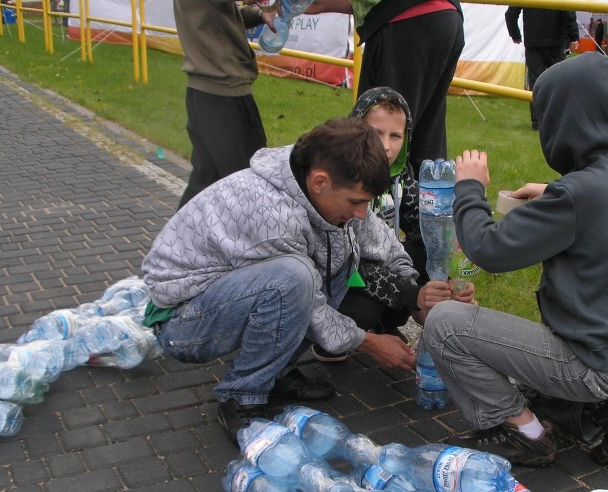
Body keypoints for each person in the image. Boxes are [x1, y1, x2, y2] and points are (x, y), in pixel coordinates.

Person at [421, 53, 608, 468]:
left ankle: (524, 433)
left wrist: (469, 190)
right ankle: (600, 410)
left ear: (561, 123)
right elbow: (588, 207)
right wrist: (551, 191)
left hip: (591, 365)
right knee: (540, 367)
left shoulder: (574, 196)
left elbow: (487, 249)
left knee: (443, 324)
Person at [142, 119, 445, 437]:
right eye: (356, 202)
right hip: (180, 319)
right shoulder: (272, 214)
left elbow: (379, 239)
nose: (360, 211)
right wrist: (369, 343)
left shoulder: (334, 182)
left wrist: (416, 295)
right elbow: (310, 303)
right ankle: (241, 397)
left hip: (224, 296)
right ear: (319, 182)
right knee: (295, 277)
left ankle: (276, 371)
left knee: (334, 264)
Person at [313, 87, 476, 362]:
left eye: (395, 136)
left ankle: (390, 323)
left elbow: (428, 233)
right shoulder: (341, 181)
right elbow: (348, 259)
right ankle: (332, 337)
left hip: (381, 263)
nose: (386, 147)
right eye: (375, 133)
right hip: (341, 270)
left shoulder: (402, 180)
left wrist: (451, 282)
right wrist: (413, 295)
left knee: (428, 246)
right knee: (365, 306)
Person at [307, 0, 464, 178]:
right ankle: (427, 200)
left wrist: (288, 7)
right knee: (426, 138)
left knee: (378, 132)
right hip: (447, 18)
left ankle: (371, 198)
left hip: (407, 20)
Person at [173, 0, 274, 210]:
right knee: (250, 185)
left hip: (206, 89)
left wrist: (258, 15)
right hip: (223, 92)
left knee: (205, 183)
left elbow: (220, 14)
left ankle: (177, 240)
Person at [505, 6, 580, 130]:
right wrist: (574, 36)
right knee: (559, 83)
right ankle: (559, 121)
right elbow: (567, 10)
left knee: (536, 84)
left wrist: (515, 34)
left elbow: (510, 13)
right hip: (556, 43)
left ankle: (537, 122)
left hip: (533, 42)